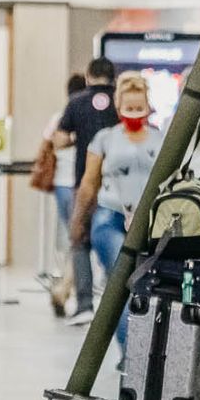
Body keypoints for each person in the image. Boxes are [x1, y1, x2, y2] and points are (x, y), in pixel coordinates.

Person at [69, 73, 162, 338]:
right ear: (118, 107)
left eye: (139, 107)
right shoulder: (104, 139)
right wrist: (78, 221)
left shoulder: (160, 139)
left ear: (148, 107)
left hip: (147, 221)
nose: (134, 113)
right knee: (123, 280)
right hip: (109, 217)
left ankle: (139, 350)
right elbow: (89, 183)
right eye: (128, 108)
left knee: (144, 286)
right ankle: (128, 354)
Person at [54, 56, 119, 325]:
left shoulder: (77, 102)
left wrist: (78, 140)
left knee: (80, 241)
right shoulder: (121, 101)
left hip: (85, 183)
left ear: (89, 76)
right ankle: (117, 304)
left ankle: (84, 304)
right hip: (118, 186)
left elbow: (59, 139)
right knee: (118, 242)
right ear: (113, 77)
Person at [44, 72, 86, 317]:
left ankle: (65, 287)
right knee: (79, 239)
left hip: (62, 183)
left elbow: (50, 139)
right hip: (79, 183)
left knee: (74, 238)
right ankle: (66, 288)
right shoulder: (86, 112)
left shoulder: (59, 116)